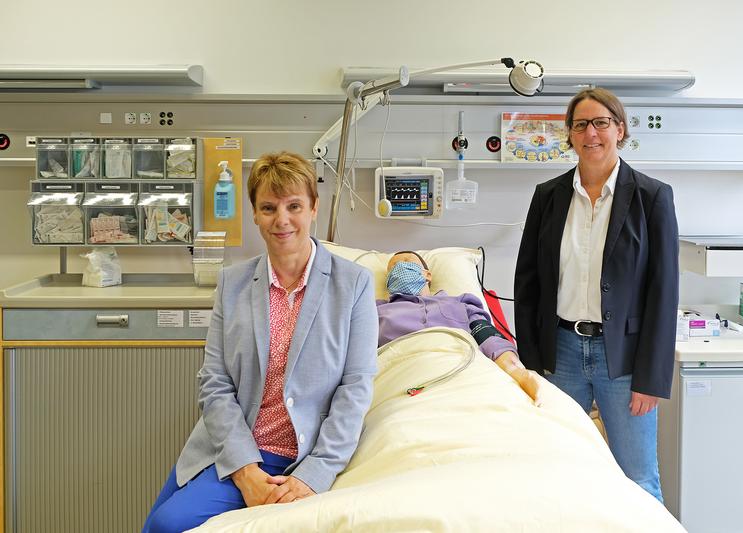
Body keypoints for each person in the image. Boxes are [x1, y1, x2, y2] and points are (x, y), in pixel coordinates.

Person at [143, 152, 378, 532]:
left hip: (304, 453)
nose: (281, 219)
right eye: (268, 207)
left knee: (170, 526)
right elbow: (215, 382)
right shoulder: (233, 284)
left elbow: (357, 385)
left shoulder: (353, 284)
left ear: (314, 208)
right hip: (238, 446)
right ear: (254, 213)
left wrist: (314, 474)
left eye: (294, 206)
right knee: (159, 523)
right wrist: (243, 469)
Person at [514, 88, 679, 501]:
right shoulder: (548, 197)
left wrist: (652, 378)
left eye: (601, 123)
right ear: (569, 134)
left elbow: (664, 293)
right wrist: (531, 364)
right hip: (562, 353)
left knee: (638, 480)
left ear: (619, 129)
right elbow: (528, 284)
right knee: (558, 473)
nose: (592, 133)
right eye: (581, 124)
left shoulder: (652, 197)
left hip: (624, 359)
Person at [377, 251, 539, 401]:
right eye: (394, 267)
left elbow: (487, 337)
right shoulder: (375, 310)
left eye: (406, 262)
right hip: (403, 373)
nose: (400, 267)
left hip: (463, 367)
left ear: (427, 275)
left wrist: (516, 372)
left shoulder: (461, 302)